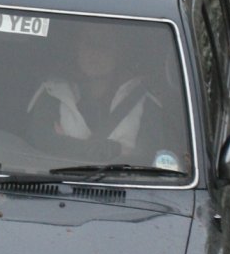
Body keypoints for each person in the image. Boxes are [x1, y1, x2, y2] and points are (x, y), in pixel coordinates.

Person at [26, 20, 169, 165]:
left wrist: (70, 146)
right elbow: (43, 144)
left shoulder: (144, 101)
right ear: (77, 48)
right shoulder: (52, 92)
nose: (95, 52)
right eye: (89, 42)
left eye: (104, 44)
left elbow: (146, 158)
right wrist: (116, 150)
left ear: (119, 52)